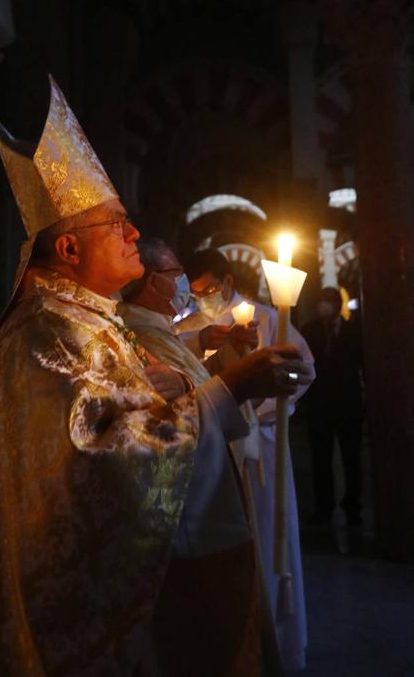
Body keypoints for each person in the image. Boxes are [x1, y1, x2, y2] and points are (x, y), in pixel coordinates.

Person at [0, 77, 311, 677]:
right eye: (116, 223)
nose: (133, 235)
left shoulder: (87, 321)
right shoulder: (50, 333)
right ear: (70, 250)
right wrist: (232, 390)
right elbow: (103, 460)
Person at [177, 248, 315, 673]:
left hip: (265, 443)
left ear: (230, 280)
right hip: (215, 447)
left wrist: (261, 406)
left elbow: (304, 371)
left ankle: (281, 637)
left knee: (273, 535)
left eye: (211, 290)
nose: (204, 300)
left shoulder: (271, 319)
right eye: (196, 293)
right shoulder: (189, 326)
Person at [301, 287, 364, 526]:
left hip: (348, 403)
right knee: (321, 458)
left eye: (327, 302)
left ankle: (353, 505)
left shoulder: (354, 331)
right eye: (321, 302)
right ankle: (323, 506)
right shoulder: (310, 331)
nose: (323, 307)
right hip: (320, 405)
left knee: (351, 458)